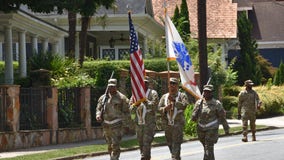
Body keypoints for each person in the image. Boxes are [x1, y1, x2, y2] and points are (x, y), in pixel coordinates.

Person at [191, 84, 229, 160]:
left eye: (208, 92)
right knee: (206, 148)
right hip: (201, 128)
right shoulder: (199, 103)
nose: (207, 93)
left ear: (212, 93)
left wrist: (226, 128)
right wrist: (194, 114)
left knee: (208, 147)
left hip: (212, 128)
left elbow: (222, 116)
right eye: (205, 92)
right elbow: (194, 116)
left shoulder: (216, 104)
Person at [96, 78, 130, 160]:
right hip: (106, 125)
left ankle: (114, 158)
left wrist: (126, 125)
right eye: (109, 87)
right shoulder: (103, 98)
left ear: (116, 87)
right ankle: (112, 157)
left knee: (115, 144)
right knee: (109, 145)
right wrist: (98, 115)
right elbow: (98, 108)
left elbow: (126, 112)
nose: (111, 88)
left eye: (113, 87)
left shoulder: (122, 98)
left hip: (117, 124)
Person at [158, 77, 189, 160]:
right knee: (170, 143)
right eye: (171, 84)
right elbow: (159, 108)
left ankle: (174, 157)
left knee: (176, 143)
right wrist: (165, 109)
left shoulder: (182, 96)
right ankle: (176, 157)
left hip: (177, 124)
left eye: (174, 84)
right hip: (167, 124)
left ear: (177, 86)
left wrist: (175, 101)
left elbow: (184, 106)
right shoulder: (164, 96)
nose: (172, 85)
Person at [129, 76, 159, 160]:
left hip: (149, 122)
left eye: (146, 83)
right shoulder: (135, 95)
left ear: (148, 84)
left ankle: (143, 156)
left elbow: (155, 106)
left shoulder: (153, 93)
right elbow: (130, 109)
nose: (144, 85)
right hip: (139, 123)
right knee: (141, 142)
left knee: (147, 141)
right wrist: (135, 105)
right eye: (142, 83)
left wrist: (145, 101)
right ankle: (146, 157)